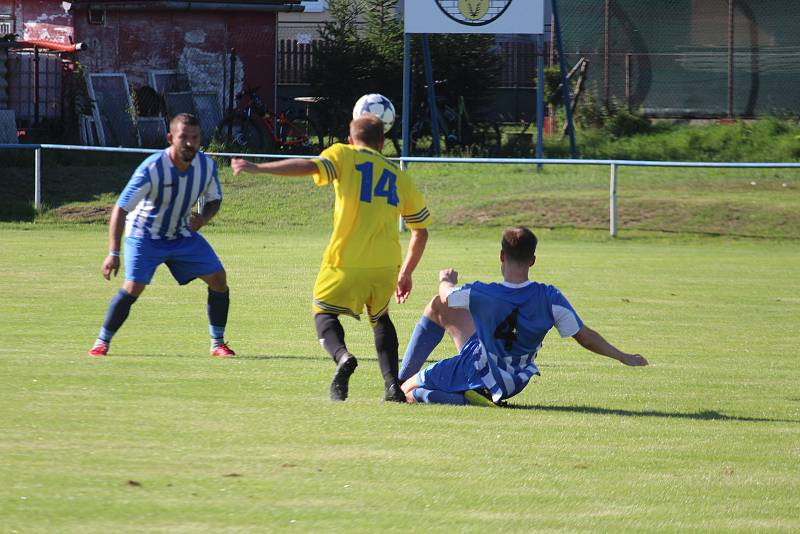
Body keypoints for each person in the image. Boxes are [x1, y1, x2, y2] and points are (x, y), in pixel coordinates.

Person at [231, 114, 430, 402]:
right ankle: (391, 386)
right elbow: (420, 232)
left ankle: (342, 356)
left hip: (345, 260)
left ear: (351, 139)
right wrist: (407, 272)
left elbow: (309, 166)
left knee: (322, 312)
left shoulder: (342, 154)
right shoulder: (399, 176)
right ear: (383, 142)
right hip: (385, 265)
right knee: (381, 318)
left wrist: (259, 167)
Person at [399, 226, 647, 406]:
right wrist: (622, 356)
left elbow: (447, 295)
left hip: (480, 369)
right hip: (515, 380)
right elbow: (586, 337)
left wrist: (446, 280)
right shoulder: (549, 297)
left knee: (408, 391)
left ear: (501, 257)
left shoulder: (483, 293)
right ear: (533, 260)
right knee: (437, 307)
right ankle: (468, 393)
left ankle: (448, 396)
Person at [88, 113, 235, 358]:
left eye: (195, 137)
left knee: (218, 279)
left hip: (181, 235)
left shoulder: (206, 166)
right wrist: (113, 253)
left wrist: (203, 218)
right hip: (145, 236)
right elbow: (121, 208)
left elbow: (214, 201)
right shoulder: (152, 168)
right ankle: (101, 342)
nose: (190, 143)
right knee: (134, 286)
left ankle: (217, 343)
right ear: (170, 138)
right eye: (183, 137)